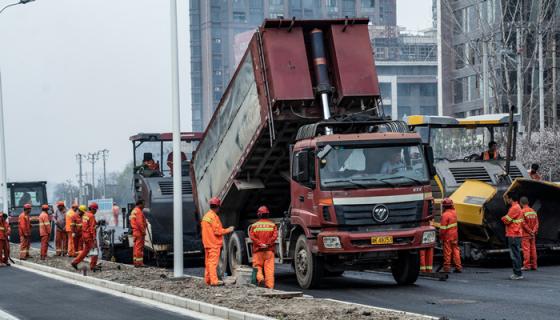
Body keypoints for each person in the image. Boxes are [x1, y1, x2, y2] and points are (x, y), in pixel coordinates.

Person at [201, 197, 234, 286]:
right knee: (213, 263)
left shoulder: (206, 216)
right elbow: (218, 231)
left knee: (208, 263)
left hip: (207, 243)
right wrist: (229, 229)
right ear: (218, 206)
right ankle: (214, 281)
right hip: (213, 244)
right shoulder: (214, 217)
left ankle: (208, 280)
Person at [249, 206, 278, 288]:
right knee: (269, 270)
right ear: (268, 214)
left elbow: (252, 237)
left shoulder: (254, 226)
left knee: (257, 267)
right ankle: (270, 287)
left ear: (259, 215)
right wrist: (267, 244)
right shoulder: (272, 225)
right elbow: (275, 236)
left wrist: (260, 244)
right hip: (269, 251)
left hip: (258, 251)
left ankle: (260, 279)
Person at [71, 202, 99, 271]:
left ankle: (75, 262)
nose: (96, 211)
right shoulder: (91, 216)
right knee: (95, 250)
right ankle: (93, 266)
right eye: (95, 209)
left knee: (85, 251)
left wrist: (97, 224)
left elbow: (87, 225)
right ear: (92, 209)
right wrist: (94, 238)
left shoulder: (85, 215)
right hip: (90, 237)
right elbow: (92, 228)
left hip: (84, 236)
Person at [502, 194, 524, 280]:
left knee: (514, 255)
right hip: (516, 233)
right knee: (516, 254)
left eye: (507, 199)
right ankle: (517, 273)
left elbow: (506, 220)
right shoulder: (517, 207)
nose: (506, 201)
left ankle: (517, 273)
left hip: (513, 234)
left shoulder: (514, 208)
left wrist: (503, 218)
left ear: (511, 199)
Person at [440, 198, 462, 273]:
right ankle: (458, 267)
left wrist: (440, 236)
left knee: (447, 252)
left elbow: (443, 229)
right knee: (456, 251)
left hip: (447, 236)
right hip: (455, 235)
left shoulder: (445, 215)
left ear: (444, 206)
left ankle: (446, 268)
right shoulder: (454, 212)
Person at [520, 197, 539, 271]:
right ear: (528, 202)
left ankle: (526, 266)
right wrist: (533, 231)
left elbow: (523, 224)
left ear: (521, 203)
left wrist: (529, 231)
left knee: (526, 250)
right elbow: (537, 223)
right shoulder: (533, 211)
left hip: (526, 234)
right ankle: (534, 265)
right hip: (533, 235)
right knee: (533, 249)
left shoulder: (522, 211)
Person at [130, 200, 147, 268]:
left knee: (136, 247)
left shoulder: (134, 211)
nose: (144, 206)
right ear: (140, 204)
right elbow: (140, 223)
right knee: (139, 248)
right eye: (143, 204)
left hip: (135, 231)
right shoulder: (139, 211)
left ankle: (135, 262)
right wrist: (143, 231)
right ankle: (140, 263)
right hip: (139, 232)